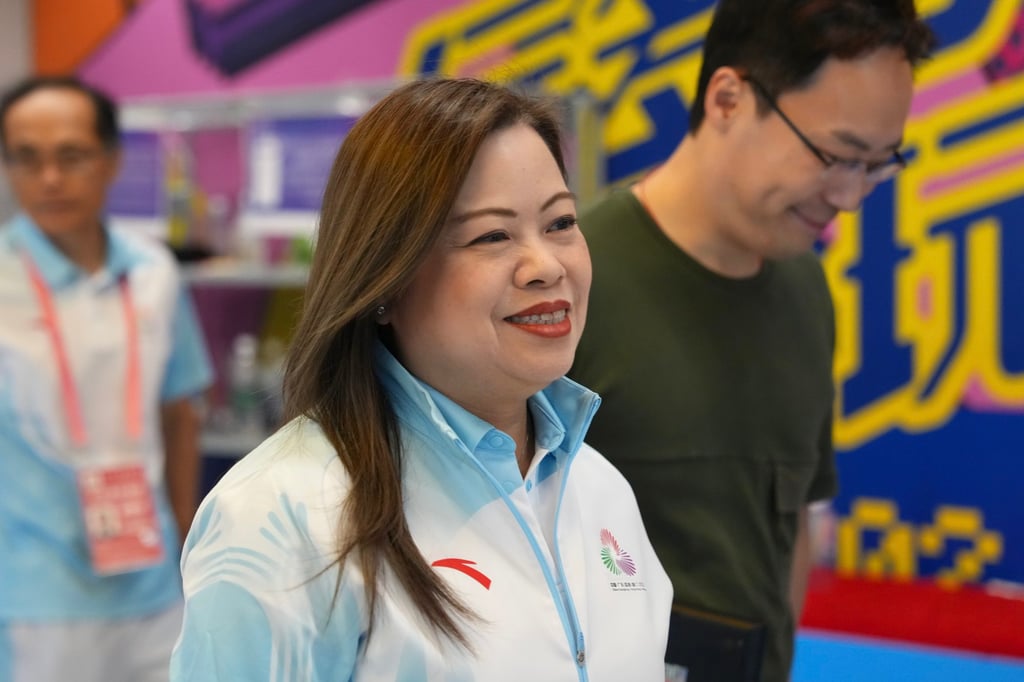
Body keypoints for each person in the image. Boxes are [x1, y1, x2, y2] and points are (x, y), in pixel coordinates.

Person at [170, 77, 672, 681]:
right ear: (385, 281)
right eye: (492, 235)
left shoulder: (599, 488)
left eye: (561, 223)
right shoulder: (283, 514)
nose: (547, 265)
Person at [569, 2, 936, 680]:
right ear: (729, 99)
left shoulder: (806, 290)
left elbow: (787, 528)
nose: (852, 195)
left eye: (880, 164)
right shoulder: (572, 287)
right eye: (836, 155)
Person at [0, 76, 213, 682]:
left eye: (70, 155)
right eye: (25, 158)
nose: (48, 179)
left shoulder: (153, 271)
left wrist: (183, 552)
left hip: (150, 583)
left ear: (112, 159)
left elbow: (179, 415)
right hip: (31, 594)